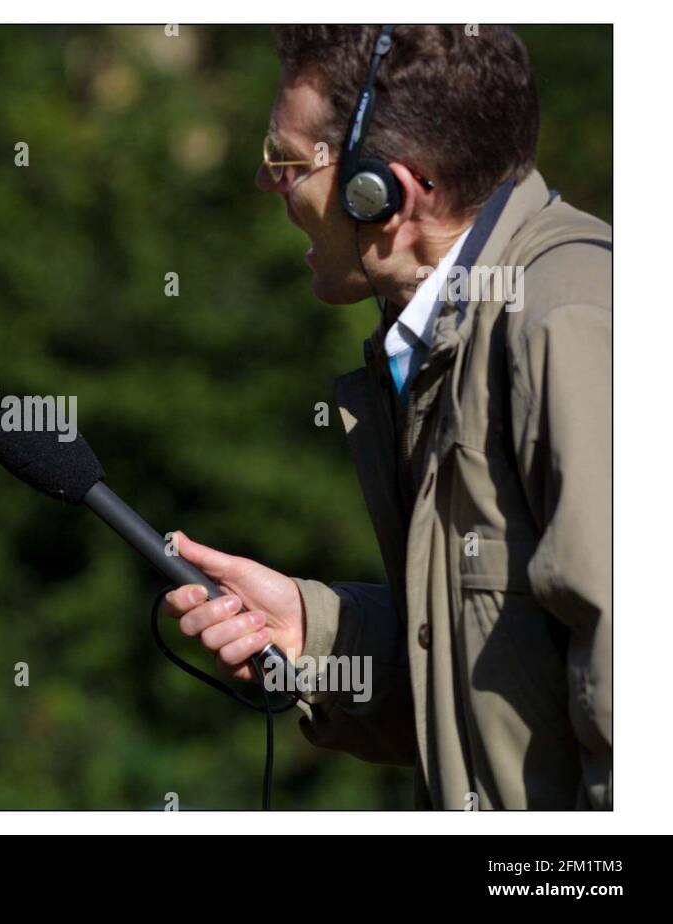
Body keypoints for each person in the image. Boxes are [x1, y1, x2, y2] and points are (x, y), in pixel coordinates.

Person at [163, 25, 611, 809]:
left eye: (286, 161)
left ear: (386, 192)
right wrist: (317, 635)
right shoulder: (453, 330)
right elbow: (487, 688)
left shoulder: (564, 322)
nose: (269, 184)